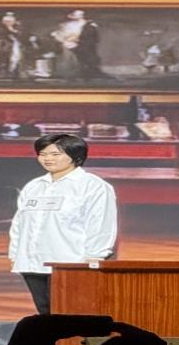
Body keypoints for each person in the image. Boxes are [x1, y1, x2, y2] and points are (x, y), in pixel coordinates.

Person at [8, 134, 117, 315]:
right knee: (45, 313)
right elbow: (19, 223)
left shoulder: (93, 186)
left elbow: (100, 224)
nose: (48, 159)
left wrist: (94, 257)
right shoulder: (34, 186)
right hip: (32, 262)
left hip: (70, 263)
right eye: (42, 154)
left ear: (75, 156)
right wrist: (15, 253)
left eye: (55, 154)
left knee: (70, 314)